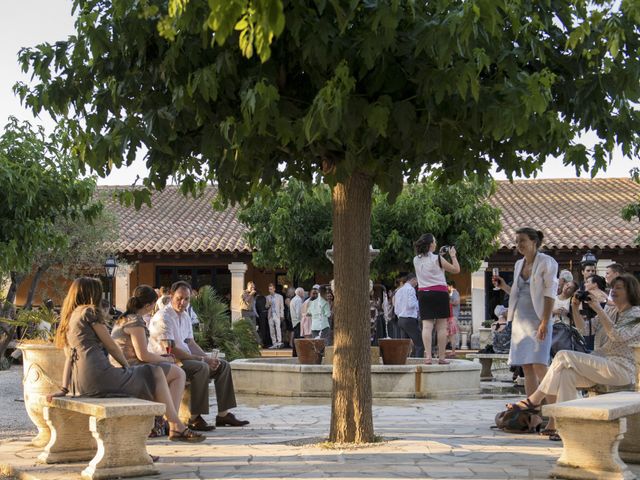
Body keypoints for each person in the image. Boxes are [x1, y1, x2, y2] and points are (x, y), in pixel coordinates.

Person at [50, 277, 204, 442]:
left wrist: (64, 388)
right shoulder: (89, 312)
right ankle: (173, 425)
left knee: (154, 372)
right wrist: (126, 367)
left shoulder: (69, 317)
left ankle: (173, 425)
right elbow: (111, 346)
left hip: (82, 382)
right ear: (91, 293)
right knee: (156, 372)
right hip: (101, 377)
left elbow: (69, 357)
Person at [507, 274, 640, 441]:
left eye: (619, 288)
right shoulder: (611, 310)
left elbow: (617, 335)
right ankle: (566, 427)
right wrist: (575, 309)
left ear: (631, 291)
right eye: (612, 287)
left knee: (563, 355)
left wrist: (598, 308)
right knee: (565, 374)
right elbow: (584, 330)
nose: (613, 291)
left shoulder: (637, 315)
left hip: (622, 370)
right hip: (602, 365)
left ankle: (534, 399)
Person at [149, 281, 249, 430]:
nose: (183, 302)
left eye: (187, 299)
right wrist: (203, 360)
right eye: (179, 298)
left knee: (223, 365)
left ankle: (223, 415)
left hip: (185, 359)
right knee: (201, 367)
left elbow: (190, 343)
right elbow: (171, 349)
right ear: (171, 296)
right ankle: (195, 418)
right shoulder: (163, 317)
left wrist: (209, 359)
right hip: (169, 361)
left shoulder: (185, 316)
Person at [110, 284, 191, 437]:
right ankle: (171, 423)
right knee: (178, 374)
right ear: (148, 305)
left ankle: (169, 423)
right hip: (129, 371)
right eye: (154, 303)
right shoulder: (135, 322)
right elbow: (143, 355)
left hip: (122, 368)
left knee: (172, 371)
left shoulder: (123, 319)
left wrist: (163, 360)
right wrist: (164, 359)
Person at [493, 227, 558, 397]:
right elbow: (519, 293)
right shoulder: (518, 264)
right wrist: (504, 286)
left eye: (522, 240)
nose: (518, 244)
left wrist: (545, 321)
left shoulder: (546, 262)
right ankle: (532, 411)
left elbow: (549, 294)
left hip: (538, 319)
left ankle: (554, 413)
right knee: (526, 366)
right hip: (520, 321)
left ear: (534, 242)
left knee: (540, 365)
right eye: (517, 241)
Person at [413, 233, 460, 364]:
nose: (435, 243)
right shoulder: (437, 259)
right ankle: (441, 358)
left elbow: (431, 270)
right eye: (434, 241)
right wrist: (453, 255)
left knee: (427, 326)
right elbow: (456, 270)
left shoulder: (416, 260)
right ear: (430, 244)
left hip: (423, 293)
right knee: (441, 327)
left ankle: (428, 357)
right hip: (440, 293)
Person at [393, 273, 424, 358]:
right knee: (419, 344)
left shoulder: (399, 290)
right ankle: (418, 364)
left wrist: (400, 315)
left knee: (405, 344)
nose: (417, 284)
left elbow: (396, 308)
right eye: (416, 281)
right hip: (409, 318)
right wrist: (420, 303)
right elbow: (411, 304)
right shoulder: (410, 289)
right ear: (413, 279)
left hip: (401, 319)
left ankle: (403, 362)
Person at [267, 283, 285, 349]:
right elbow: (266, 306)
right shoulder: (268, 297)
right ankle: (274, 343)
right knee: (271, 329)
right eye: (269, 289)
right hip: (270, 315)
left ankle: (279, 342)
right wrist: (268, 305)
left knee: (278, 328)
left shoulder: (280, 297)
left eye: (271, 289)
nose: (270, 290)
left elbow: (282, 307)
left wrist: (282, 315)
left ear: (274, 289)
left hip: (277, 314)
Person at [447, 281, 461, 357]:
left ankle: (456, 346)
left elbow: (457, 302)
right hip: (451, 316)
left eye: (448, 286)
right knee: (451, 334)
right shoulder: (452, 293)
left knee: (452, 333)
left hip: (453, 316)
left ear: (451, 286)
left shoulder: (455, 292)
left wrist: (448, 302)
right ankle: (453, 350)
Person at [289, 287, 305, 355]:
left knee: (296, 338)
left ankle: (295, 353)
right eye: (303, 292)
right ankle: (298, 353)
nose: (304, 294)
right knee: (299, 338)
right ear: (299, 292)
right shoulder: (298, 300)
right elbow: (299, 312)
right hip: (298, 321)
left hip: (295, 321)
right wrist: (302, 320)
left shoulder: (293, 299)